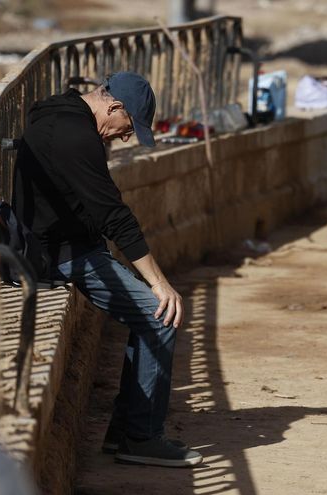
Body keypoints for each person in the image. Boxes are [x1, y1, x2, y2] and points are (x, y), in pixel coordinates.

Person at [11, 71, 202, 467]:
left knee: (149, 316)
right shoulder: (75, 137)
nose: (125, 136)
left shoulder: (59, 116)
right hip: (61, 254)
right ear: (114, 107)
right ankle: (141, 437)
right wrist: (161, 284)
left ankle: (124, 433)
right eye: (128, 127)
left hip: (62, 245)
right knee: (160, 316)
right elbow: (115, 216)